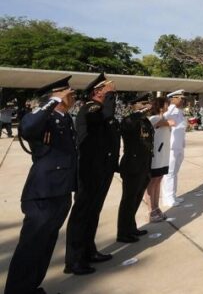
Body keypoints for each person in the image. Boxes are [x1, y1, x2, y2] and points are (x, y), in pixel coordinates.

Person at [5, 77, 77, 294]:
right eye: (68, 93)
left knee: (46, 245)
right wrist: (53, 100)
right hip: (43, 193)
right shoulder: (43, 117)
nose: (73, 96)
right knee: (31, 246)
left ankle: (32, 286)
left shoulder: (64, 118)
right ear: (58, 96)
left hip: (61, 190)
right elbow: (27, 127)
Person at [65, 73, 120, 275]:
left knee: (92, 213)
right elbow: (107, 115)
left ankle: (89, 251)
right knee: (82, 214)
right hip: (88, 170)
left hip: (100, 168)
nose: (112, 90)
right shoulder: (91, 108)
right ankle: (74, 260)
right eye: (106, 88)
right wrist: (110, 95)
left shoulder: (99, 109)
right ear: (97, 92)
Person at [117, 93, 154, 243]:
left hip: (144, 165)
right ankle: (123, 233)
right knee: (128, 200)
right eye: (142, 103)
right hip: (132, 165)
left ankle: (131, 228)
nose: (146, 106)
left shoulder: (146, 121)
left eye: (147, 103)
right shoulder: (129, 120)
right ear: (134, 106)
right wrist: (140, 112)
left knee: (137, 199)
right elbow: (128, 125)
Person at [146, 97, 171, 223]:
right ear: (161, 107)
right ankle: (151, 210)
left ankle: (156, 207)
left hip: (163, 156)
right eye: (167, 104)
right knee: (152, 182)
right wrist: (165, 118)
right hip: (156, 156)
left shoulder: (162, 118)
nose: (169, 106)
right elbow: (171, 123)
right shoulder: (154, 118)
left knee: (158, 180)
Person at [162, 90, 188, 208]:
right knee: (169, 173)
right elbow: (162, 118)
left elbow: (182, 129)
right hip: (171, 147)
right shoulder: (169, 110)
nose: (182, 100)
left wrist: (183, 144)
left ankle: (173, 195)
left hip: (179, 147)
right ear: (173, 99)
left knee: (175, 172)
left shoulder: (180, 112)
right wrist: (172, 105)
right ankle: (167, 198)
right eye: (180, 98)